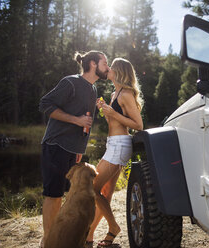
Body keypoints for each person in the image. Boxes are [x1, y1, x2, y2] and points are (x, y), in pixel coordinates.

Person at [38, 50, 110, 248]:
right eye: (105, 63)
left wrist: (80, 148)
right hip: (56, 144)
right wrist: (75, 120)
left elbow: (86, 122)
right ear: (93, 64)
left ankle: (58, 238)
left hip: (73, 150)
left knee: (65, 195)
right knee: (54, 195)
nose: (108, 67)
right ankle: (48, 241)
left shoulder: (93, 89)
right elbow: (45, 104)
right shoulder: (70, 82)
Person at [85, 58, 143, 248]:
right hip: (113, 144)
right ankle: (92, 236)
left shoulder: (126, 94)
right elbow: (115, 119)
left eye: (111, 67)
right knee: (106, 193)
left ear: (118, 72)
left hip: (120, 145)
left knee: (93, 187)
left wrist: (112, 113)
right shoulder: (114, 93)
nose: (108, 69)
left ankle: (113, 226)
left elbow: (138, 125)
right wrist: (104, 109)